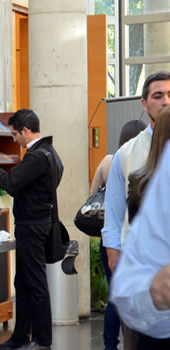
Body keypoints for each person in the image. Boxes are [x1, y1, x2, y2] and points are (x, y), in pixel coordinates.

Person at [101, 71, 170, 349]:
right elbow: (114, 213)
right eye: (158, 96)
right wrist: (115, 257)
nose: (166, 101)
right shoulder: (127, 153)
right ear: (144, 103)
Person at [0, 108, 63, 350]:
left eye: (15, 134)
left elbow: (11, 181)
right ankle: (21, 337)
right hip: (37, 224)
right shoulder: (51, 153)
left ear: (26, 130)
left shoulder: (37, 156)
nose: (14, 139)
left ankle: (42, 340)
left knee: (35, 283)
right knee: (24, 283)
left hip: (32, 226)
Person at [91, 119, 146, 350]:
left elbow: (92, 196)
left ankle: (110, 344)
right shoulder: (145, 162)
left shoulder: (108, 160)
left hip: (110, 239)